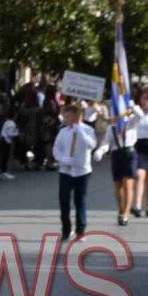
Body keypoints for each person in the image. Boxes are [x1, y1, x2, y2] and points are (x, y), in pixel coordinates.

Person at [52, 99, 97, 239]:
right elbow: (56, 149)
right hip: (66, 171)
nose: (64, 119)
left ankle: (80, 230)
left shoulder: (88, 130)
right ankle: (66, 229)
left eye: (67, 116)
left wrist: (79, 131)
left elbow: (91, 145)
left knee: (80, 201)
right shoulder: (63, 132)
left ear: (75, 117)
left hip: (82, 171)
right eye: (64, 116)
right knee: (64, 201)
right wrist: (63, 160)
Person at [103, 104, 137, 226]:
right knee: (118, 186)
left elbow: (139, 116)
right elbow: (106, 142)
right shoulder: (111, 128)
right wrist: (101, 150)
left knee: (128, 184)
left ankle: (126, 213)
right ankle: (121, 209)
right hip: (116, 154)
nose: (116, 117)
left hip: (129, 153)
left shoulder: (131, 123)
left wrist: (132, 106)